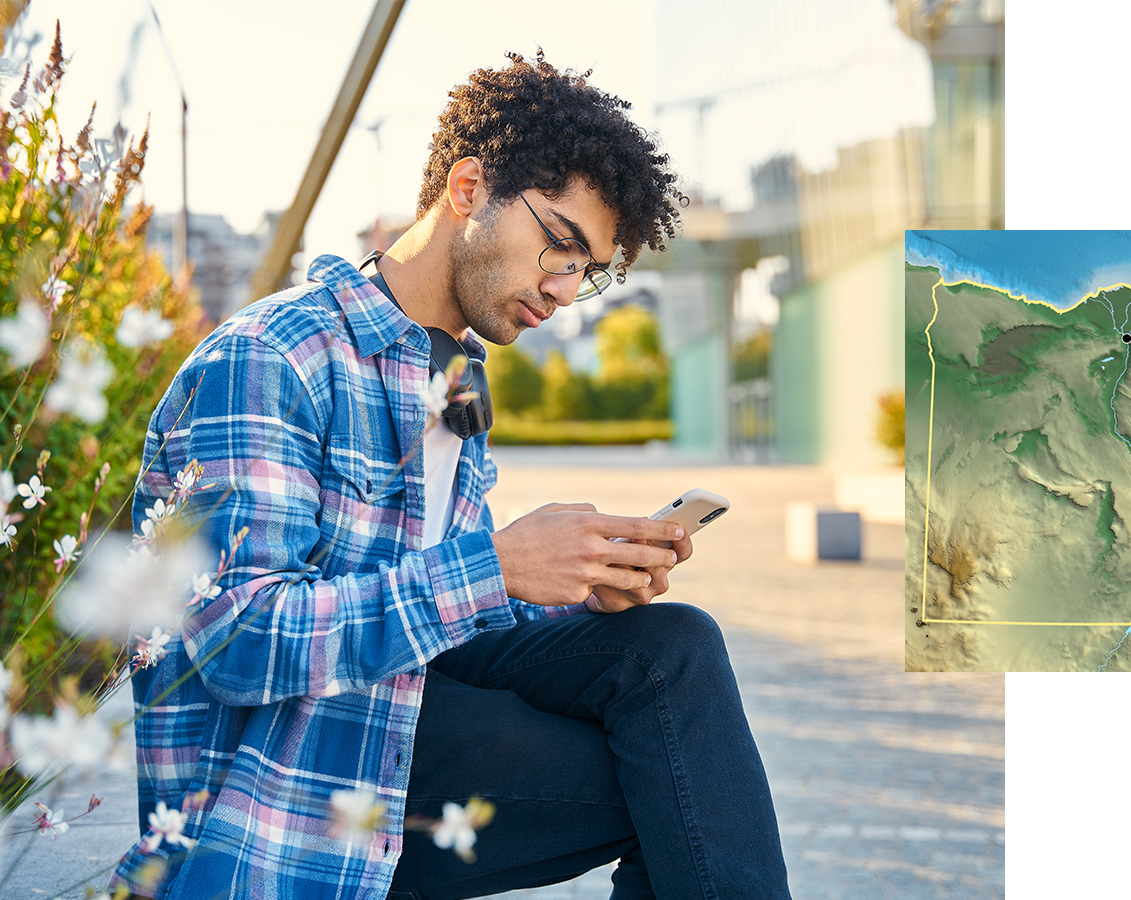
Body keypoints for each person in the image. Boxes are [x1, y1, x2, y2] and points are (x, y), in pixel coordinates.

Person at [113, 50, 791, 900]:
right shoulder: (274, 358)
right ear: (469, 188)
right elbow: (236, 643)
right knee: (688, 788)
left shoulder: (458, 377)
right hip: (293, 795)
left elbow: (451, 613)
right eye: (560, 244)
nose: (564, 287)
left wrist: (570, 584)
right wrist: (498, 563)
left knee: (674, 652)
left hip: (405, 722)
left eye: (589, 271)